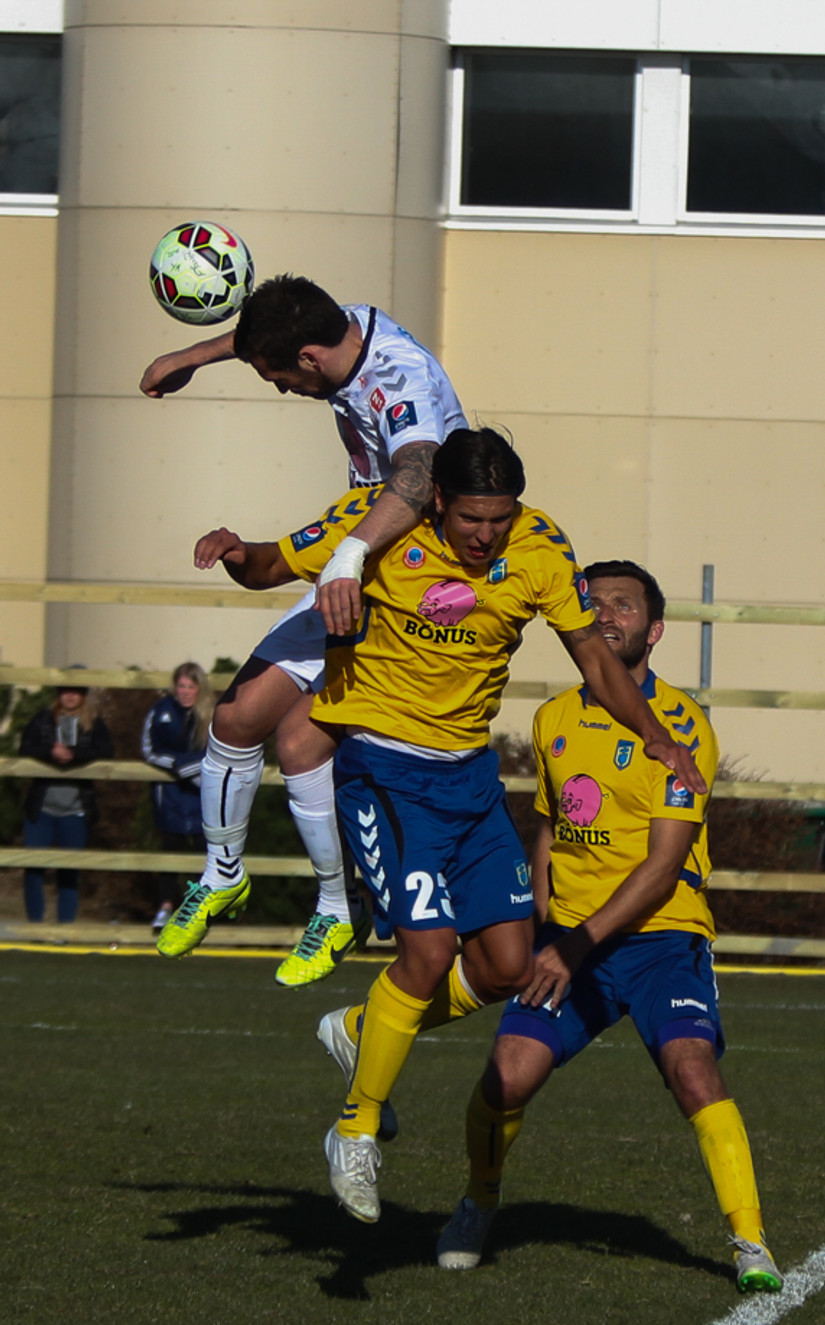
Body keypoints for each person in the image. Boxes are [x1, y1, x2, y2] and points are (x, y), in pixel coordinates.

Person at [191, 428, 707, 1226]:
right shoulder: (376, 524)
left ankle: (359, 1029)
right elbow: (269, 565)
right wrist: (234, 552)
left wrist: (657, 735)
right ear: (437, 501)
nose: (485, 535)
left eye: (500, 519)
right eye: (471, 519)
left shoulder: (540, 548)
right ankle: (355, 1129)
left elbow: (595, 662)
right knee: (428, 953)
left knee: (506, 966)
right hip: (384, 772)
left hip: (468, 779)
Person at [433, 559, 783, 1294]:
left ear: (654, 631)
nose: (607, 615)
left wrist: (571, 947)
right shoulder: (553, 718)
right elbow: (551, 828)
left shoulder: (681, 728)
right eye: (595, 604)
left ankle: (750, 1240)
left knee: (693, 1072)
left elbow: (662, 868)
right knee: (506, 1078)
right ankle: (478, 1203)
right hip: (568, 941)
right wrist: (538, 923)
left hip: (661, 938)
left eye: (625, 605)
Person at [141, 275, 468, 984]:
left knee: (298, 741)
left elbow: (418, 475)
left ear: (310, 359)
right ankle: (223, 874)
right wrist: (190, 356)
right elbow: (272, 330)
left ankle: (336, 909)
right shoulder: (335, 327)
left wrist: (348, 556)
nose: (282, 388)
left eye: (279, 377)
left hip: (412, 576)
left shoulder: (400, 381)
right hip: (358, 548)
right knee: (235, 718)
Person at [19, 677, 114, 923]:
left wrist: (74, 754)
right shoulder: (43, 719)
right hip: (42, 808)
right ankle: (36, 928)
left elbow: (106, 751)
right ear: (58, 693)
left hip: (76, 810)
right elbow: (25, 747)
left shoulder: (94, 723)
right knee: (33, 870)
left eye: (76, 691)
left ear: (83, 695)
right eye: (65, 690)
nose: (70, 696)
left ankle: (65, 931)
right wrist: (50, 752)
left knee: (69, 873)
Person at [141, 663, 215, 931]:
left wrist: (192, 769)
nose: (185, 692)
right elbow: (149, 750)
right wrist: (180, 766)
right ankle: (165, 907)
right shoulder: (161, 710)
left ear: (199, 689)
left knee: (202, 853)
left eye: (191, 687)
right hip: (169, 794)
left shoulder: (212, 714)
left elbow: (219, 752)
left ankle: (196, 909)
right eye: (181, 686)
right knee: (170, 851)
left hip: (202, 796)